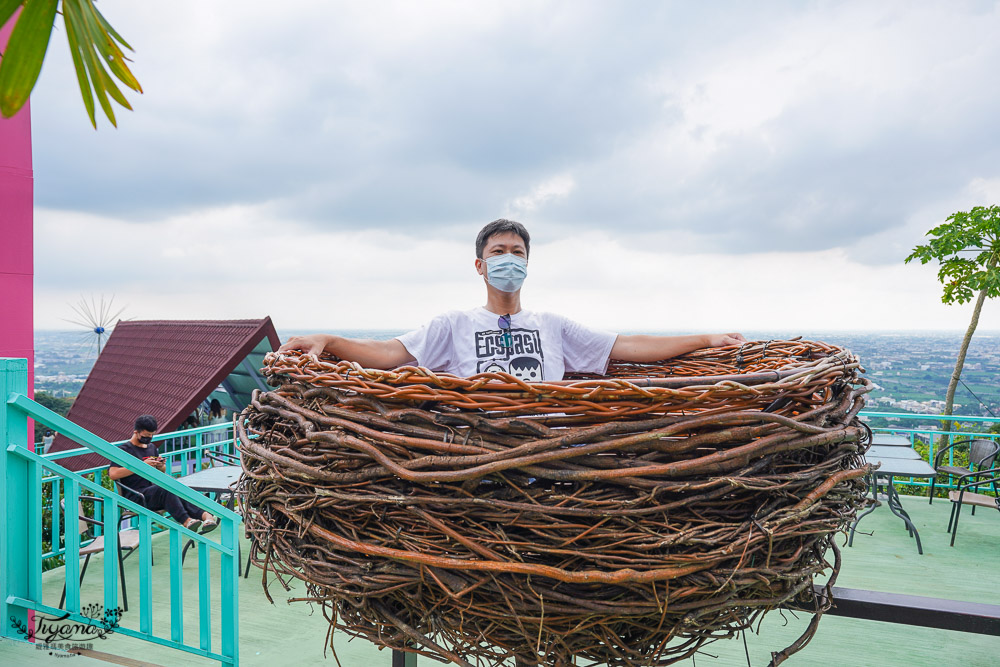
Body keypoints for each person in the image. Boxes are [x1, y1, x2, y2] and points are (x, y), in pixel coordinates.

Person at [279, 219, 746, 380]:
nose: (508, 260)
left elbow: (628, 347)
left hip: (548, 458)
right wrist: (330, 339)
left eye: (517, 253)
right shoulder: (453, 325)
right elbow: (388, 355)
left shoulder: (553, 325)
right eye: (497, 252)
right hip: (479, 459)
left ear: (529, 263)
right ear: (480, 265)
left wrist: (705, 338)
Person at [109, 415, 218, 534]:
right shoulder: (124, 450)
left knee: (177, 486)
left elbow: (161, 471)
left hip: (153, 491)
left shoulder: (151, 448)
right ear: (136, 432)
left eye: (151, 435)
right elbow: (113, 474)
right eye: (145, 436)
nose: (149, 438)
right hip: (136, 496)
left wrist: (161, 466)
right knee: (165, 489)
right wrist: (141, 465)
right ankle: (186, 521)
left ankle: (206, 516)